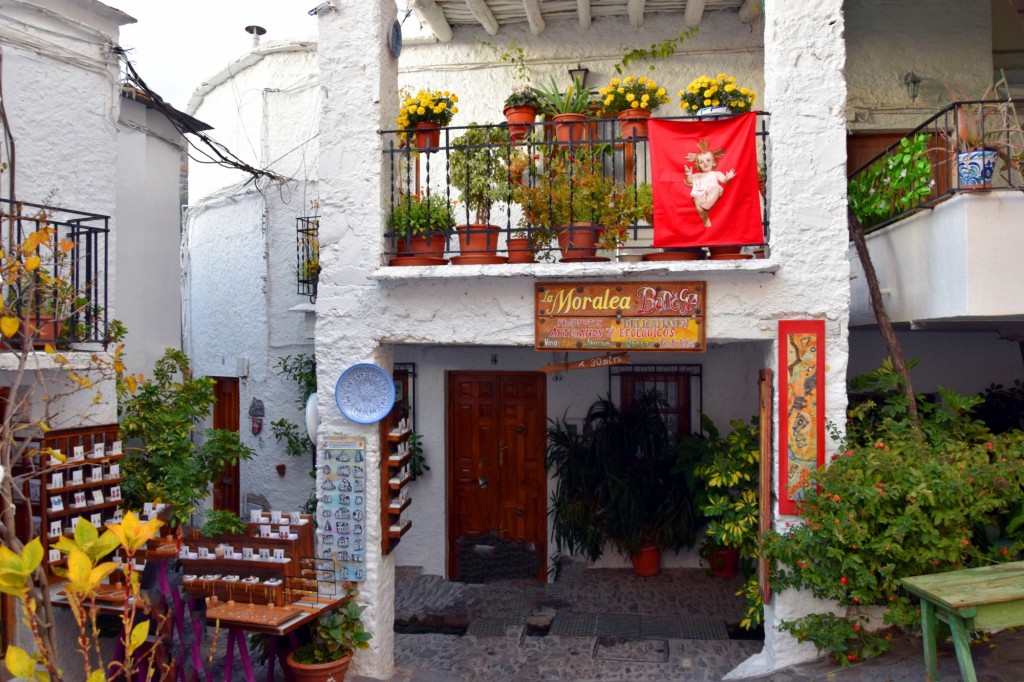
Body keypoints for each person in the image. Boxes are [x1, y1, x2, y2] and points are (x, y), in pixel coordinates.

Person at [683, 139, 736, 227]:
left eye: (708, 160)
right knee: (697, 203)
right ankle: (705, 219)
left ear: (713, 162)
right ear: (698, 165)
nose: (705, 163)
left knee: (714, 189)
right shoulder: (698, 175)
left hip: (713, 192)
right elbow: (689, 181)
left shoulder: (716, 174)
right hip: (701, 195)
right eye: (701, 162)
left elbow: (725, 181)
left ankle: (707, 205)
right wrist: (689, 175)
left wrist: (728, 178)